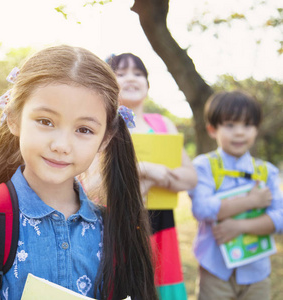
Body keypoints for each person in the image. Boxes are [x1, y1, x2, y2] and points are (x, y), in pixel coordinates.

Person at [0, 45, 157, 300]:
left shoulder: (113, 230)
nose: (61, 145)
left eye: (84, 129)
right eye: (46, 121)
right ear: (13, 118)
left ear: (105, 139)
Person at [81, 53, 197, 300]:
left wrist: (155, 172)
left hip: (161, 227)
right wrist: (138, 172)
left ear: (147, 82)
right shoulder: (100, 126)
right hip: (114, 226)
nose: (131, 79)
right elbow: (88, 186)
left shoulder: (163, 123)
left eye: (138, 73)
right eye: (121, 74)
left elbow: (190, 178)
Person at [188, 90, 283, 300]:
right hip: (215, 270)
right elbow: (201, 209)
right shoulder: (204, 166)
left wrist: (239, 227)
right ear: (212, 129)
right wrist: (250, 201)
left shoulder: (267, 171)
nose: (240, 132)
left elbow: (280, 218)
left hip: (257, 273)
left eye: (247, 125)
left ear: (256, 129)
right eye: (230, 125)